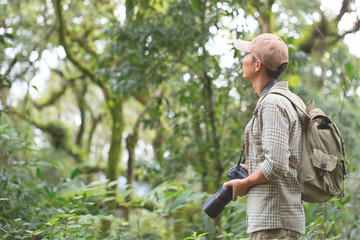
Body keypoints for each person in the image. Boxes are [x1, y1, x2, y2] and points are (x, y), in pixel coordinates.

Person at [223, 33, 305, 239]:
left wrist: (246, 183)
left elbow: (277, 164)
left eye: (247, 54)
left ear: (257, 64)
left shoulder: (272, 104)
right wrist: (252, 168)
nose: (243, 59)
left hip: (273, 223)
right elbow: (281, 161)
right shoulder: (285, 100)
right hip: (276, 221)